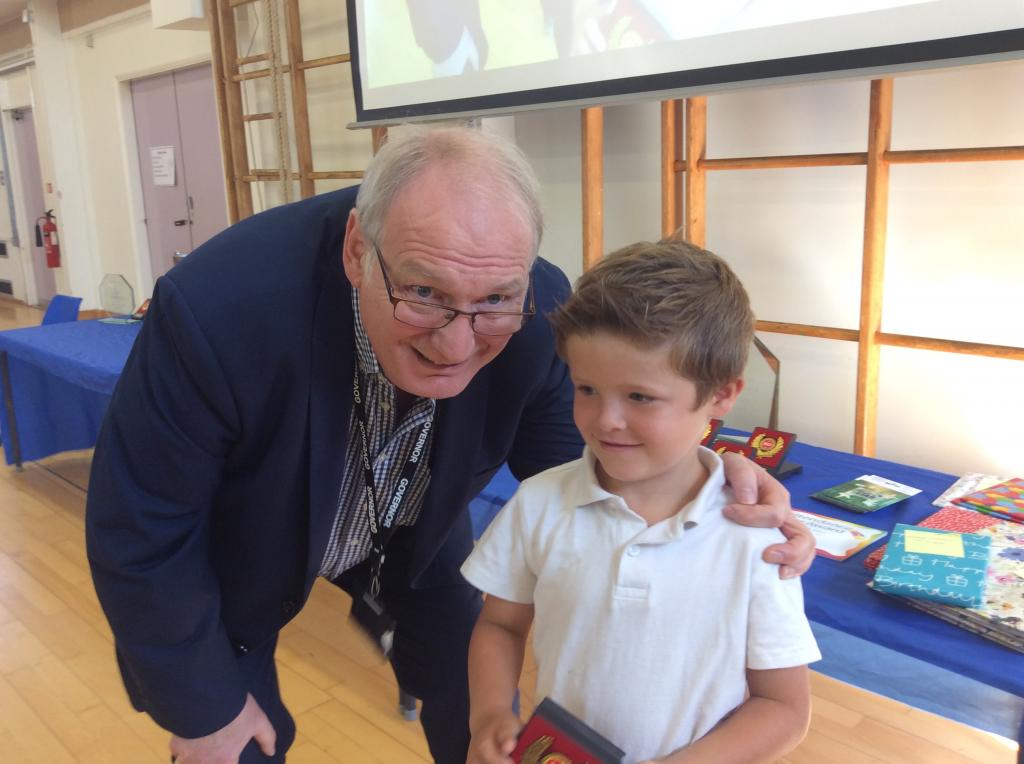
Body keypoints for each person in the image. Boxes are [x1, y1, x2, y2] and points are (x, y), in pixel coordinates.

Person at [85, 125, 813, 764]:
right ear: (357, 251)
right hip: (242, 548)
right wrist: (203, 709)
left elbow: (591, 472)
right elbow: (142, 526)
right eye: (424, 294)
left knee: (476, 719)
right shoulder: (219, 310)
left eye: (493, 301)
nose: (457, 346)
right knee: (235, 741)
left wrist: (705, 472)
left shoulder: (540, 314)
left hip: (417, 535)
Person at [462, 240, 821, 764]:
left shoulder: (756, 537)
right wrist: (491, 712)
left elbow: (783, 707)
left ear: (721, 395)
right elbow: (500, 624)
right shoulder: (539, 503)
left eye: (639, 397)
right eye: (587, 389)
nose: (606, 420)